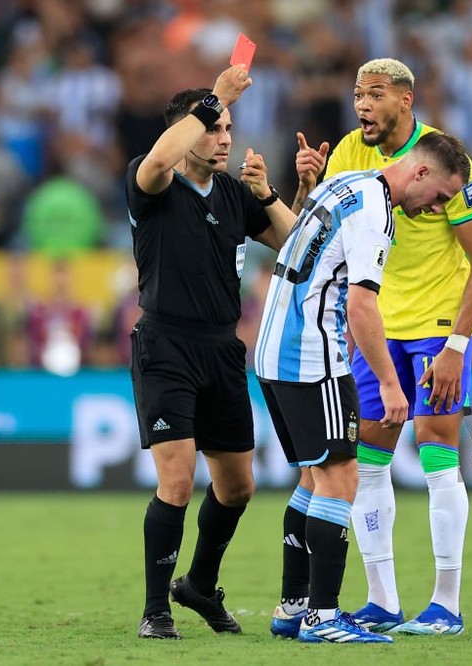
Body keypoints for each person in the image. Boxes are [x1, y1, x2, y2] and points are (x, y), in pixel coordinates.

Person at [294, 58, 472, 635]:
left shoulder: (446, 160)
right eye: (357, 93)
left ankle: (446, 604)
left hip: (437, 323)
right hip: (374, 325)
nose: (362, 104)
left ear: (406, 100)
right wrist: (307, 185)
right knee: (368, 460)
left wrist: (458, 344)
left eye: (375, 94)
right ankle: (382, 599)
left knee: (437, 454)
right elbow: (315, 231)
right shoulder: (348, 154)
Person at [257, 131, 472, 644]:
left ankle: (294, 607)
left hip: (272, 346)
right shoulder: (378, 209)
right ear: (419, 173)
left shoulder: (346, 183)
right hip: (313, 351)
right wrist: (389, 384)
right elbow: (360, 306)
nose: (436, 208)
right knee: (341, 478)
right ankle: (323, 616)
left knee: (314, 477)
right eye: (440, 196)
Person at [125, 64, 292, 640]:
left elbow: (297, 246)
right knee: (176, 479)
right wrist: (214, 97)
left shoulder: (232, 192)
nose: (225, 137)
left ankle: (198, 584)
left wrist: (269, 193)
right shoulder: (153, 184)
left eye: (229, 128)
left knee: (237, 487)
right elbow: (154, 161)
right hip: (165, 346)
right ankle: (155, 610)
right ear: (186, 132)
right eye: (215, 127)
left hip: (223, 351)